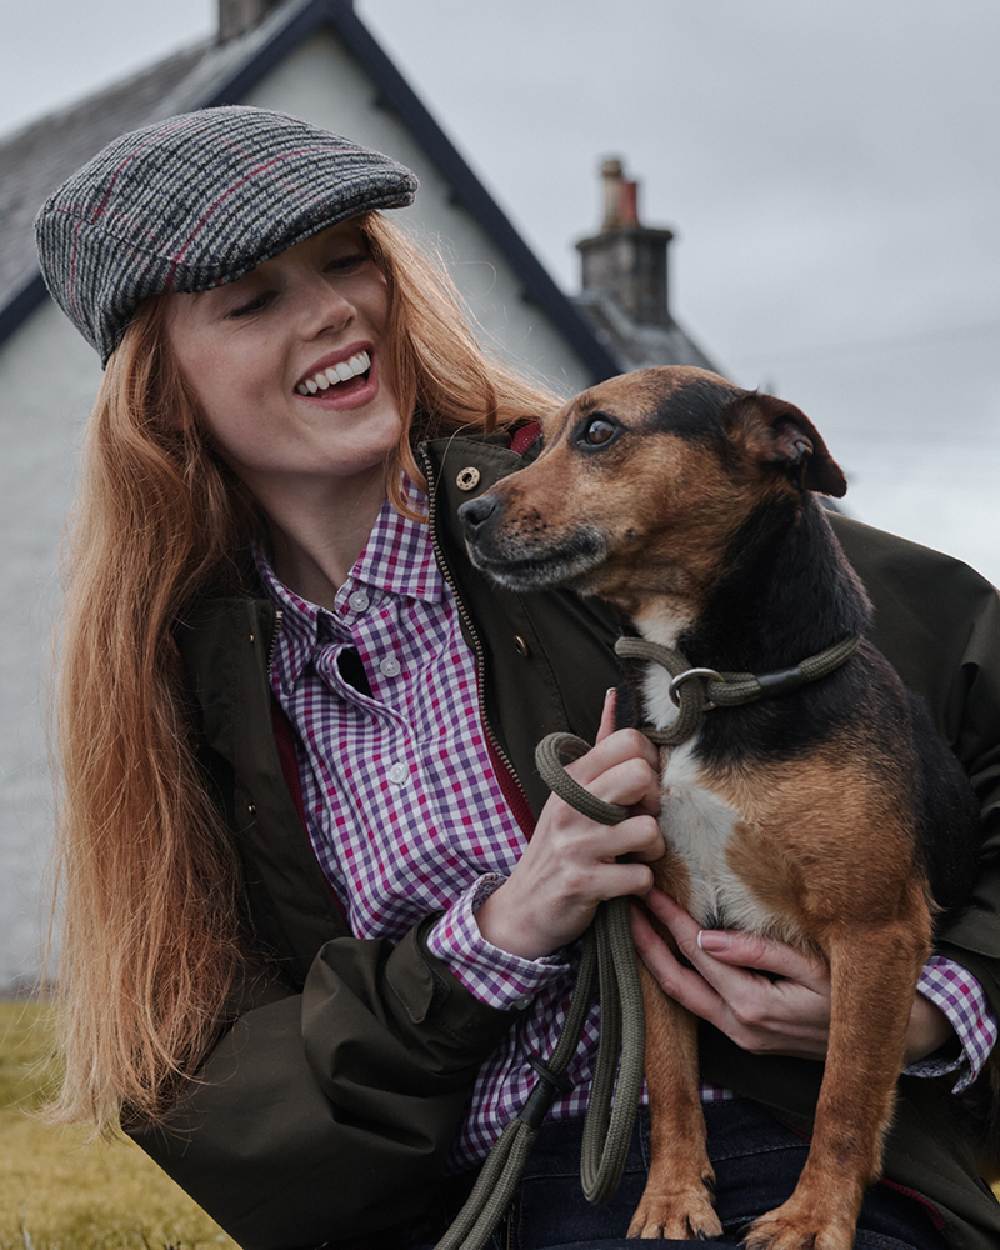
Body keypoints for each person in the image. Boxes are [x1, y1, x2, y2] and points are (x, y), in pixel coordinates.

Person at [34, 106, 1000, 1250]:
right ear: (160, 390)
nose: (334, 309)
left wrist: (940, 1007)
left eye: (349, 259)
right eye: (253, 299)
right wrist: (492, 934)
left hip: (763, 1155)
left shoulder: (619, 520)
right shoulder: (179, 686)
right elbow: (201, 1085)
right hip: (469, 1204)